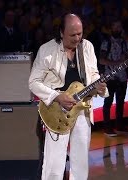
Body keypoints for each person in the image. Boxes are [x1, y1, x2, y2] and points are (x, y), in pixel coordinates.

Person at [28, 13, 108, 180]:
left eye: (80, 33)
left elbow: (93, 74)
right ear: (61, 32)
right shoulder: (46, 50)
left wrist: (99, 86)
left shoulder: (87, 47)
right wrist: (57, 96)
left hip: (82, 109)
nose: (77, 38)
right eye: (73, 35)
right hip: (57, 111)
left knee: (80, 164)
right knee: (54, 165)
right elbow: (33, 82)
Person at [100, 19, 128, 136]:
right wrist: (116, 63)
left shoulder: (124, 42)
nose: (118, 29)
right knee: (108, 102)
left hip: (122, 77)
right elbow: (101, 60)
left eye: (119, 26)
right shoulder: (106, 42)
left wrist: (127, 58)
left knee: (120, 102)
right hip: (110, 77)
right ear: (111, 28)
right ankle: (107, 127)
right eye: (115, 26)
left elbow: (127, 58)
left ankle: (120, 125)